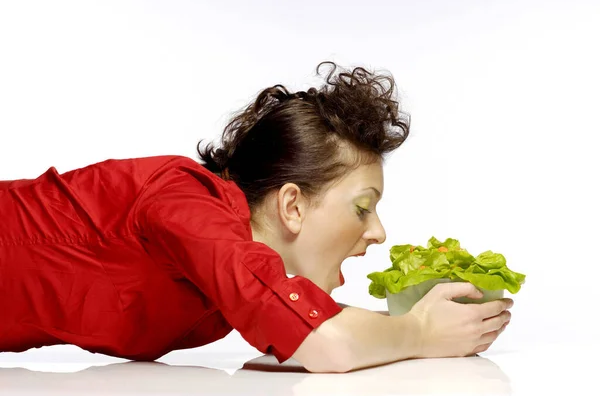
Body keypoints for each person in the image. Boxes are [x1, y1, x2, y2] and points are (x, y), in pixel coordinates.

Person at [0, 62, 512, 373]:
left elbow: (312, 332)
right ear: (291, 205)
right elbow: (325, 344)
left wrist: (421, 325)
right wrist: (419, 334)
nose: (377, 232)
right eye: (362, 207)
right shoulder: (186, 203)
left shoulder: (223, 290)